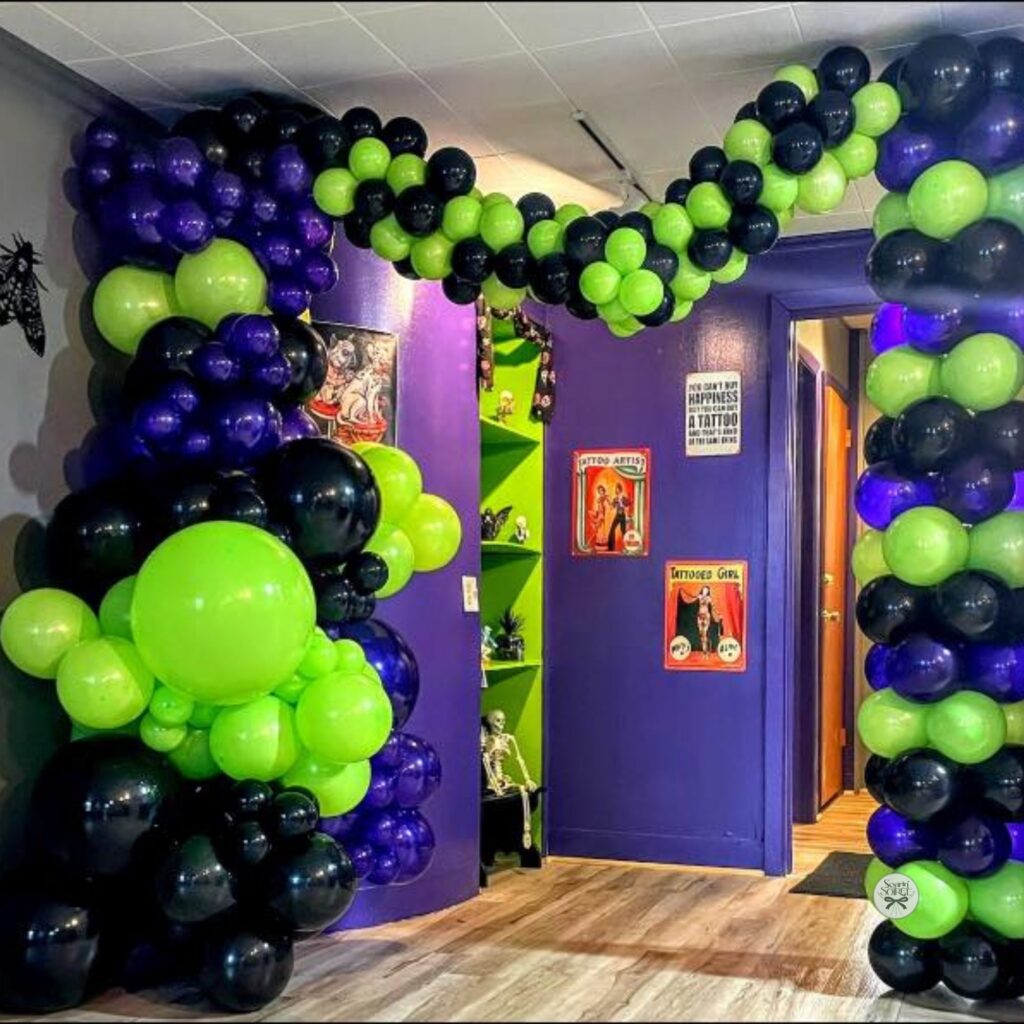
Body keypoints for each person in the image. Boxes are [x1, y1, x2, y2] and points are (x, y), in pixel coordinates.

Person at [606, 482, 631, 553]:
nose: (617, 491)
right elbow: (611, 507)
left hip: (622, 516)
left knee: (623, 532)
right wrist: (608, 500)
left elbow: (628, 504)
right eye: (616, 490)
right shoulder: (615, 499)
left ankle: (627, 547)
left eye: (618, 490)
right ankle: (611, 547)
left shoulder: (623, 498)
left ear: (620, 490)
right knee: (612, 529)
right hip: (617, 516)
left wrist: (624, 505)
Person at [586, 484, 609, 551]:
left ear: (603, 491)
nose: (600, 492)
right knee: (597, 531)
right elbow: (598, 508)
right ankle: (596, 545)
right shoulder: (600, 498)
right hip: (599, 515)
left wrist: (601, 516)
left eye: (601, 490)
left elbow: (607, 506)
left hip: (601, 516)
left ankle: (602, 546)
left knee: (600, 531)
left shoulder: (604, 498)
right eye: (599, 491)